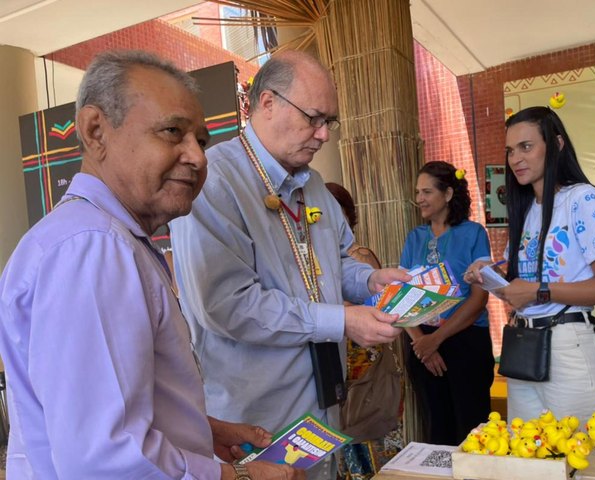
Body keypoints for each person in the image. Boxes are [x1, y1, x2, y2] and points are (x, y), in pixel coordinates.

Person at [0, 50, 302, 480]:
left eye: (201, 140)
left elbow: (95, 413)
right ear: (95, 130)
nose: (197, 158)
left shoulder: (97, 239)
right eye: (172, 132)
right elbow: (102, 459)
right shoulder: (94, 248)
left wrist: (199, 430)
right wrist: (240, 477)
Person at [170, 51, 409, 480]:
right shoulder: (216, 182)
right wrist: (340, 322)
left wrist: (371, 278)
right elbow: (225, 305)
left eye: (329, 122)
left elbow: (336, 262)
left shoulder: (312, 184)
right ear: (267, 103)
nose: (323, 135)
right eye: (314, 118)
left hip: (323, 405)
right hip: (257, 420)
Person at [466, 106, 595, 423]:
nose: (515, 159)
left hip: (570, 348)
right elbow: (521, 292)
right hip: (524, 349)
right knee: (529, 463)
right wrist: (489, 277)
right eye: (510, 151)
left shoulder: (582, 198)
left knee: (580, 464)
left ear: (556, 144)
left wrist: (539, 292)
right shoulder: (527, 210)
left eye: (526, 147)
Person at [399, 161, 494, 445]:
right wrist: (422, 345)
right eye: (417, 192)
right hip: (422, 345)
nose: (419, 199)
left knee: (473, 431)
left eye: (426, 191)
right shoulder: (415, 238)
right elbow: (402, 296)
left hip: (465, 342)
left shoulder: (474, 233)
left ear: (448, 194)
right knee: (436, 430)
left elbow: (479, 298)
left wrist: (436, 339)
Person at [326, 182, 403, 480]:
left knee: (370, 444)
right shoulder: (320, 260)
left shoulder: (359, 257)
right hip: (339, 364)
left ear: (347, 216)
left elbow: (375, 305)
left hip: (364, 364)